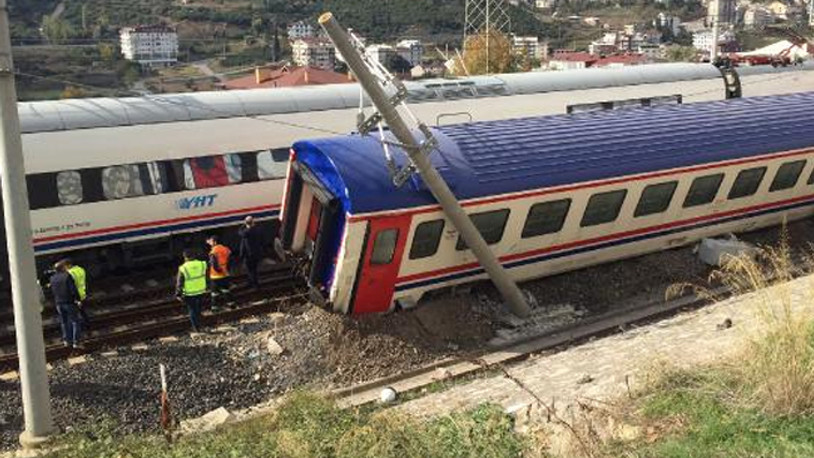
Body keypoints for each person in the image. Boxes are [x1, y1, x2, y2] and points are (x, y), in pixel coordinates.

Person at [49, 261, 83, 349]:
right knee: (75, 321)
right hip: (69, 302)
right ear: (63, 268)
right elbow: (73, 290)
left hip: (59, 303)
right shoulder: (67, 276)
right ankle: (76, 342)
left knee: (64, 322)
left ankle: (67, 341)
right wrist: (78, 300)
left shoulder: (52, 278)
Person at [176, 250, 208, 332]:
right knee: (199, 308)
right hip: (201, 290)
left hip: (189, 293)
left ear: (185, 258)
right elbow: (207, 275)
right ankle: (200, 323)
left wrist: (178, 294)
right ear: (194, 256)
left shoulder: (183, 268)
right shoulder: (202, 264)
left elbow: (180, 282)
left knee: (192, 310)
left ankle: (196, 327)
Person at [206, 235, 233, 309]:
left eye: (211, 241)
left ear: (215, 242)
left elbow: (213, 264)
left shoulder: (213, 251)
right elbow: (230, 260)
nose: (209, 242)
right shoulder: (226, 249)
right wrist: (226, 269)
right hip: (225, 274)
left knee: (214, 293)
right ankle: (231, 304)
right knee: (226, 290)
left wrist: (218, 270)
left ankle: (215, 307)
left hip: (215, 276)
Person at [238, 216, 264, 288]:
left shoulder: (246, 232)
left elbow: (240, 232)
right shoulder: (258, 230)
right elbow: (262, 241)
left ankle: (254, 284)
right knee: (254, 269)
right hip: (257, 253)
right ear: (253, 222)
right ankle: (251, 282)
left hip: (249, 255)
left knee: (250, 270)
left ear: (246, 223)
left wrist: (243, 225)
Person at [64, 259, 89, 326]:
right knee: (82, 311)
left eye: (65, 266)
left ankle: (82, 326)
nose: (65, 268)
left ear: (69, 265)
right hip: (83, 293)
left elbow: (71, 283)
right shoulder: (81, 269)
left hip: (75, 294)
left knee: (75, 313)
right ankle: (87, 324)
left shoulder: (70, 272)